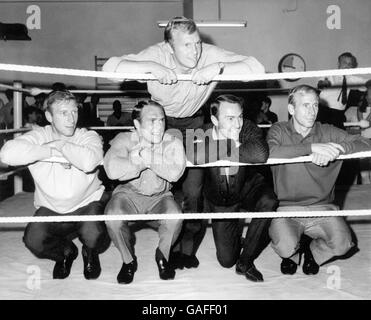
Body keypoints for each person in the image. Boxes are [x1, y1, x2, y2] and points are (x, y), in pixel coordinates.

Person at [102, 16, 265, 267]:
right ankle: (167, 248)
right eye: (186, 46)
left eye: (197, 43)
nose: (195, 51)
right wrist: (149, 67)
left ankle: (187, 251)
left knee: (193, 191)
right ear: (169, 47)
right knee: (164, 184)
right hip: (161, 125)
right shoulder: (157, 54)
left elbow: (256, 68)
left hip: (194, 124)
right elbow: (109, 69)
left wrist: (218, 67)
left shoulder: (208, 54)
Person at [0, 90, 110, 280]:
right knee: (33, 239)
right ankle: (67, 252)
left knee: (95, 235)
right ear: (49, 116)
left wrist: (61, 145)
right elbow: (7, 154)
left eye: (74, 112)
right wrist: (49, 149)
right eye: (63, 113)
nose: (71, 119)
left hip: (87, 204)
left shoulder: (87, 135)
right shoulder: (39, 135)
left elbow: (89, 162)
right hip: (52, 208)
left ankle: (89, 252)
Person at [266, 84, 371, 276]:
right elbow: (270, 153)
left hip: (322, 207)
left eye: (315, 105)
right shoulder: (278, 130)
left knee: (343, 244)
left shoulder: (327, 131)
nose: (312, 111)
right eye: (305, 105)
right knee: (284, 247)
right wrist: (312, 148)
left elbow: (365, 143)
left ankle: (312, 253)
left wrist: (334, 149)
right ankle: (292, 255)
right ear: (291, 109)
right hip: (287, 208)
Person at [183, 94, 278, 282]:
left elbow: (259, 154)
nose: (237, 124)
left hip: (248, 187)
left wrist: (220, 149)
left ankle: (246, 261)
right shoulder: (202, 132)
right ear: (214, 120)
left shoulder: (248, 127)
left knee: (269, 201)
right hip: (220, 199)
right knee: (226, 260)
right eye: (230, 118)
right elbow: (193, 155)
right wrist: (232, 145)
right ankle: (237, 239)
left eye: (240, 116)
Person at [103, 100, 186, 284]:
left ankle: (162, 255)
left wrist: (145, 156)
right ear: (137, 125)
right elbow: (112, 170)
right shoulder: (124, 139)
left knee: (175, 216)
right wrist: (140, 162)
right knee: (112, 217)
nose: (159, 126)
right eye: (152, 120)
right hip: (128, 196)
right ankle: (128, 261)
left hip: (160, 197)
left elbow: (174, 173)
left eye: (162, 120)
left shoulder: (173, 141)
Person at [317, 52, 365, 129]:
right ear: (338, 63)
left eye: (350, 64)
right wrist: (324, 84)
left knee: (339, 137)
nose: (347, 66)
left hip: (339, 113)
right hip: (324, 111)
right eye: (345, 63)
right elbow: (320, 84)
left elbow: (366, 83)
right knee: (322, 137)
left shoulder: (352, 79)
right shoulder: (329, 74)